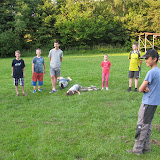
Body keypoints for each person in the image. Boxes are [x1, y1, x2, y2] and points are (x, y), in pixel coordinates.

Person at [127, 49, 160, 156]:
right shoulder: (158, 71)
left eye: (147, 58)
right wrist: (145, 87)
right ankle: (146, 147)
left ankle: (137, 149)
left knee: (141, 125)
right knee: (148, 124)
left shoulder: (151, 72)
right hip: (154, 102)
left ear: (154, 59)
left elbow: (140, 89)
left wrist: (144, 87)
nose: (145, 60)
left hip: (147, 103)